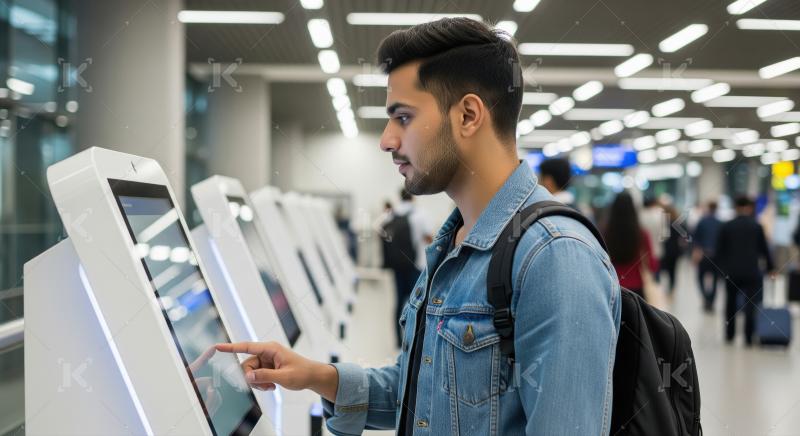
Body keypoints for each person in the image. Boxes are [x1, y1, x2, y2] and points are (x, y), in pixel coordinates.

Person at [215, 18, 620, 435]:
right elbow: (422, 396)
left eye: (403, 117)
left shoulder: (555, 257)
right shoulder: (454, 245)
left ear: (467, 115)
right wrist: (317, 376)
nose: (387, 140)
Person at [715, 196, 775, 345]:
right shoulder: (756, 226)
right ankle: (748, 336)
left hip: (731, 272)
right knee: (751, 304)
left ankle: (730, 335)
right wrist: (770, 268)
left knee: (730, 303)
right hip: (751, 272)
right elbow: (764, 250)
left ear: (735, 207)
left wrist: (720, 270)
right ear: (749, 207)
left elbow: (719, 251)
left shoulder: (727, 226)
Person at [381, 189, 433, 347]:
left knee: (398, 301)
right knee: (416, 303)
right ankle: (414, 340)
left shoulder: (392, 214)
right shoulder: (420, 213)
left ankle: (398, 340)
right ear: (413, 197)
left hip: (397, 265)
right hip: (415, 265)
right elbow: (430, 238)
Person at [604, 192, 659, 299]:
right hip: (636, 290)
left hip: (613, 288)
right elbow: (652, 265)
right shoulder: (641, 233)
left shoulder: (605, 233)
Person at [693, 200, 722, 312]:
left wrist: (696, 253)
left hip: (703, 254)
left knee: (700, 277)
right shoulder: (720, 223)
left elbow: (696, 239)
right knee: (715, 279)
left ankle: (705, 297)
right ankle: (711, 300)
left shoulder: (702, 222)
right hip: (716, 256)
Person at [660, 205, 685, 295]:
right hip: (675, 250)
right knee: (673, 270)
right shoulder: (678, 224)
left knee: (665, 269)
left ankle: (665, 287)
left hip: (666, 249)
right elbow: (682, 238)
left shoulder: (664, 223)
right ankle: (672, 287)